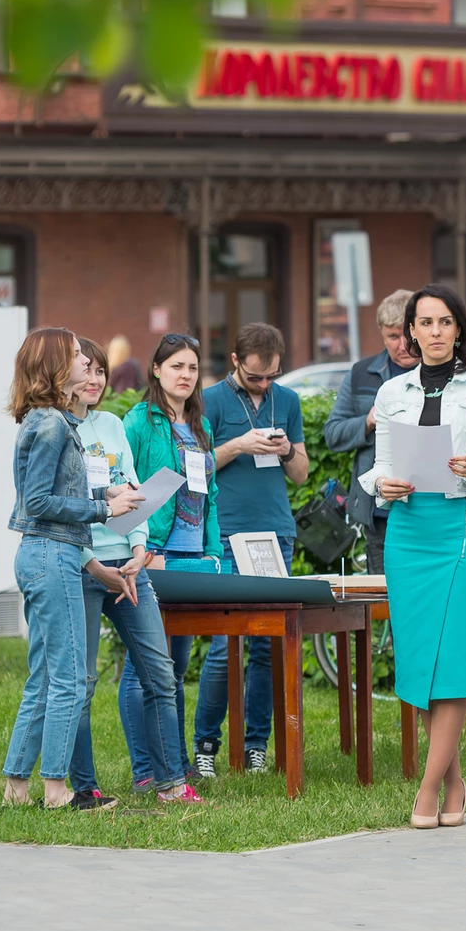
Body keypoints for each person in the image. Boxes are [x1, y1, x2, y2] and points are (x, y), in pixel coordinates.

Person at [360, 284, 466, 828]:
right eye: (425, 322)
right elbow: (379, 466)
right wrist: (384, 485)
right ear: (411, 332)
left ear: (459, 328)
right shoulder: (391, 391)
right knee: (421, 658)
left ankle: (426, 791)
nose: (435, 331)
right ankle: (453, 784)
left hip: (458, 529)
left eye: (444, 321)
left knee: (453, 657)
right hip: (406, 531)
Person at [3, 328, 143, 809]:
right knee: (69, 679)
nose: (86, 362)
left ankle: (17, 789)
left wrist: (107, 493)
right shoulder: (51, 425)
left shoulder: (47, 420)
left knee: (45, 677)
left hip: (43, 553)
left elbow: (56, 492)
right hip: (53, 554)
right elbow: (39, 502)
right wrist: (105, 509)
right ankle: (57, 789)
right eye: (78, 355)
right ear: (54, 367)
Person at [67, 337, 203, 809]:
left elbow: (133, 488)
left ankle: (170, 784)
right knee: (82, 683)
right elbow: (56, 507)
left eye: (100, 371)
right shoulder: (55, 427)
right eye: (86, 370)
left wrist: (140, 548)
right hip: (82, 566)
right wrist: (92, 562)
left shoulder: (109, 424)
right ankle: (84, 787)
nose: (95, 380)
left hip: (129, 564)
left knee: (160, 673)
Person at [193, 323, 308, 777]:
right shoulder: (210, 401)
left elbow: (301, 473)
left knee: (265, 645)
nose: (263, 384)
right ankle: (206, 744)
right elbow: (197, 469)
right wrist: (239, 445)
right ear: (235, 362)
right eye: (255, 376)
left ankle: (256, 744)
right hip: (226, 533)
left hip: (276, 532)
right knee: (226, 644)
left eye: (271, 376)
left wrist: (286, 451)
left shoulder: (288, 401)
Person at [121, 332, 222, 795]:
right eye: (177, 366)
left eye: (193, 368)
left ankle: (175, 762)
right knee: (143, 667)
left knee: (176, 668)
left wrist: (214, 552)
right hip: (152, 555)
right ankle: (146, 770)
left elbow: (211, 496)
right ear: (157, 370)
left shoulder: (201, 426)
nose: (186, 375)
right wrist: (142, 547)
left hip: (193, 558)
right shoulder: (138, 421)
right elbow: (124, 485)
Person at [323, 289, 416, 573]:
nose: (402, 345)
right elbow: (333, 433)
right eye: (393, 337)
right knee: (385, 594)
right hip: (379, 511)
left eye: (407, 335)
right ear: (381, 334)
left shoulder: (440, 372)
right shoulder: (361, 373)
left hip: (428, 505)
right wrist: (368, 421)